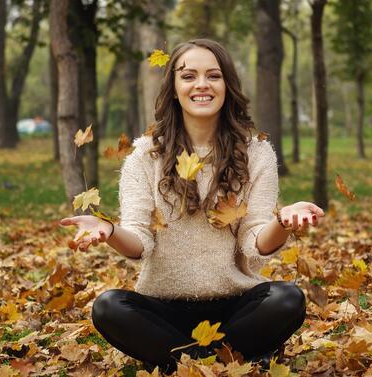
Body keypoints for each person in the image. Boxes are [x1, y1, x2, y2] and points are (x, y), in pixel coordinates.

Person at [60, 39, 325, 374]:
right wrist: (110, 230)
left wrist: (283, 222)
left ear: (227, 86)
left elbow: (255, 242)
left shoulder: (257, 153)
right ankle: (220, 363)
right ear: (173, 88)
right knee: (109, 307)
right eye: (188, 76)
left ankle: (186, 365)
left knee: (287, 299)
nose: (201, 84)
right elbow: (139, 243)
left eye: (213, 76)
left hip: (235, 308)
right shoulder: (144, 156)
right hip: (163, 310)